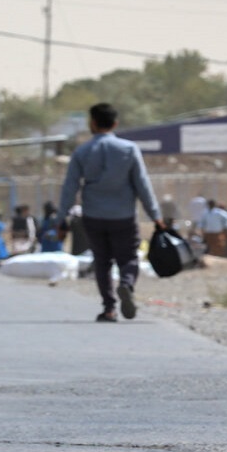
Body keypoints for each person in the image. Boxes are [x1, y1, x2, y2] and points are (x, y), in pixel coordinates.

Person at [59, 103, 164, 322]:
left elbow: (70, 188)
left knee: (102, 261)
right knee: (128, 258)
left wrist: (62, 219)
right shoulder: (128, 149)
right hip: (123, 216)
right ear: (115, 123)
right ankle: (126, 283)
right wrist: (155, 215)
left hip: (93, 216)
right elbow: (142, 185)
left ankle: (109, 308)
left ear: (93, 123)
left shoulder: (82, 151)